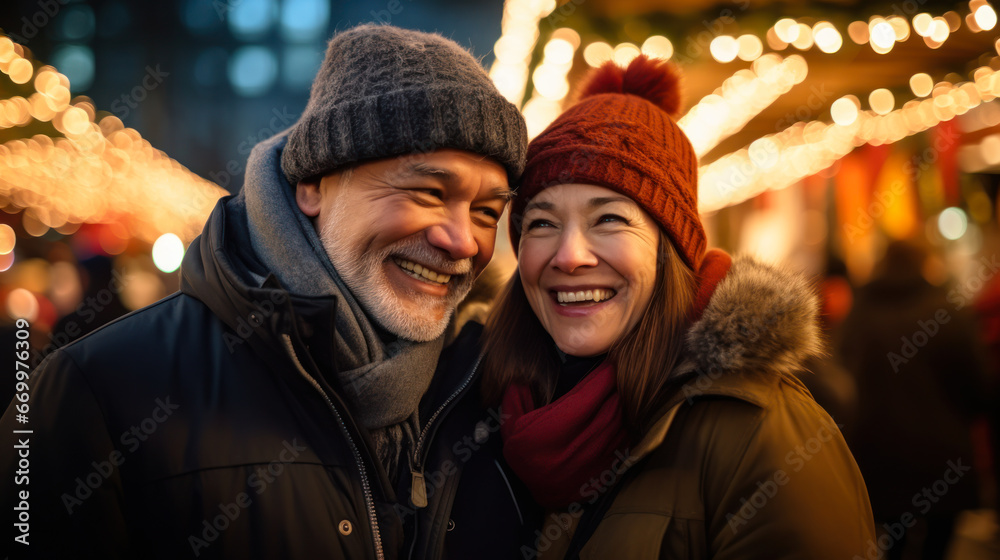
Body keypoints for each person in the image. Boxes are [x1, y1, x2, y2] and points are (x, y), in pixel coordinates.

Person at [0, 24, 532, 559]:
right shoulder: (98, 389)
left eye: (487, 212)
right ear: (314, 184)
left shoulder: (492, 391)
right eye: (428, 192)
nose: (463, 240)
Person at [481, 55, 876, 558]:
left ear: (672, 248)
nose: (570, 256)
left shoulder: (760, 433)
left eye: (609, 219)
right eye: (540, 223)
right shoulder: (484, 406)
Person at [840, 240, 991, 559]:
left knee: (891, 543)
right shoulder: (946, 311)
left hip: (879, 455)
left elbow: (842, 379)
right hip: (942, 458)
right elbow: (978, 385)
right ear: (924, 263)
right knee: (939, 542)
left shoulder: (861, 314)